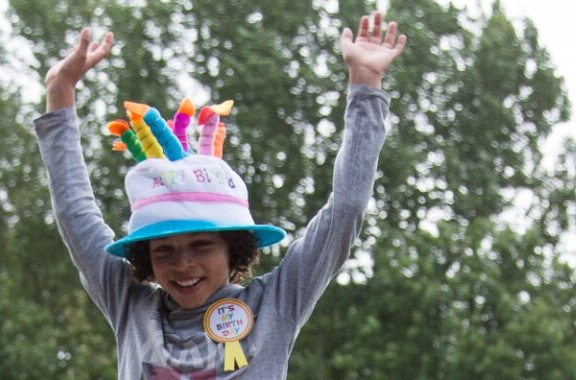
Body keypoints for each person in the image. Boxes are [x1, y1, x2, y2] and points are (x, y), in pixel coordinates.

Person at [33, 10, 409, 379]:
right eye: (163, 250)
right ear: (145, 257)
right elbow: (75, 215)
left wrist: (365, 84)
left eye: (201, 245)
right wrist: (59, 93)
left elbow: (344, 212)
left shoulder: (275, 304)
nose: (183, 264)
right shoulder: (130, 306)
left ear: (233, 246)